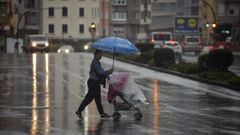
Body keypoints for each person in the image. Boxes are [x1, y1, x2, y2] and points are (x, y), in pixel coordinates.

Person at [76, 49, 114, 120]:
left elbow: (100, 72)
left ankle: (102, 113)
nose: (100, 56)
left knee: (97, 99)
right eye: (99, 54)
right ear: (95, 55)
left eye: (101, 55)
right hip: (93, 83)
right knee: (89, 99)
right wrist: (110, 71)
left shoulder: (97, 62)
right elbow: (100, 72)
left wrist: (107, 73)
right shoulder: (95, 62)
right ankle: (79, 110)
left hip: (95, 83)